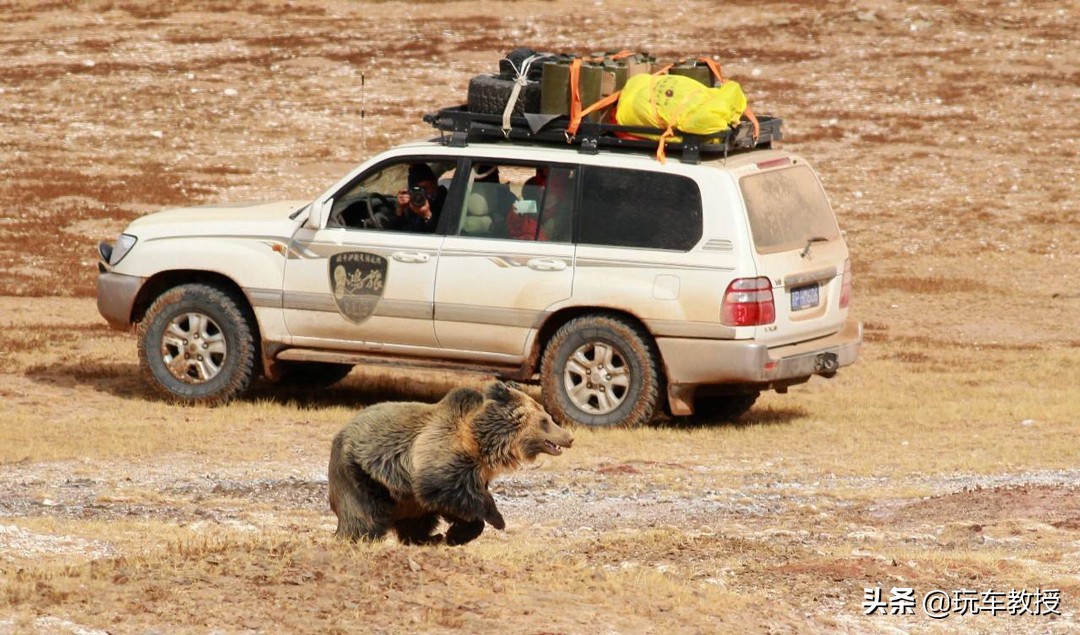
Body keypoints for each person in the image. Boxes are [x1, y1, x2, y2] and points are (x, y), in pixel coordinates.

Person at [390, 163, 446, 233]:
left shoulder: (447, 201)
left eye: (428, 187)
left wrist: (427, 215)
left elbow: (443, 235)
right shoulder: (413, 202)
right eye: (420, 189)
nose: (428, 191)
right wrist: (399, 210)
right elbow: (394, 233)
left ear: (435, 183)